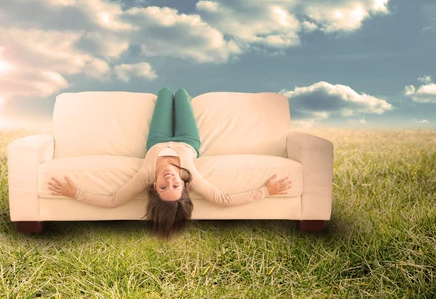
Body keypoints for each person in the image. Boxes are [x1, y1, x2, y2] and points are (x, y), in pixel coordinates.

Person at [48, 87, 292, 240]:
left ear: (155, 188)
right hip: (187, 139)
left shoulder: (146, 175)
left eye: (163, 188)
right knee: (182, 93)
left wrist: (74, 193)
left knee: (165, 93)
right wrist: (267, 190)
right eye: (175, 187)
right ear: (183, 187)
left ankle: (167, 97)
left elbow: (112, 201)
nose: (169, 181)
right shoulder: (190, 176)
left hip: (156, 139)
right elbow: (224, 200)